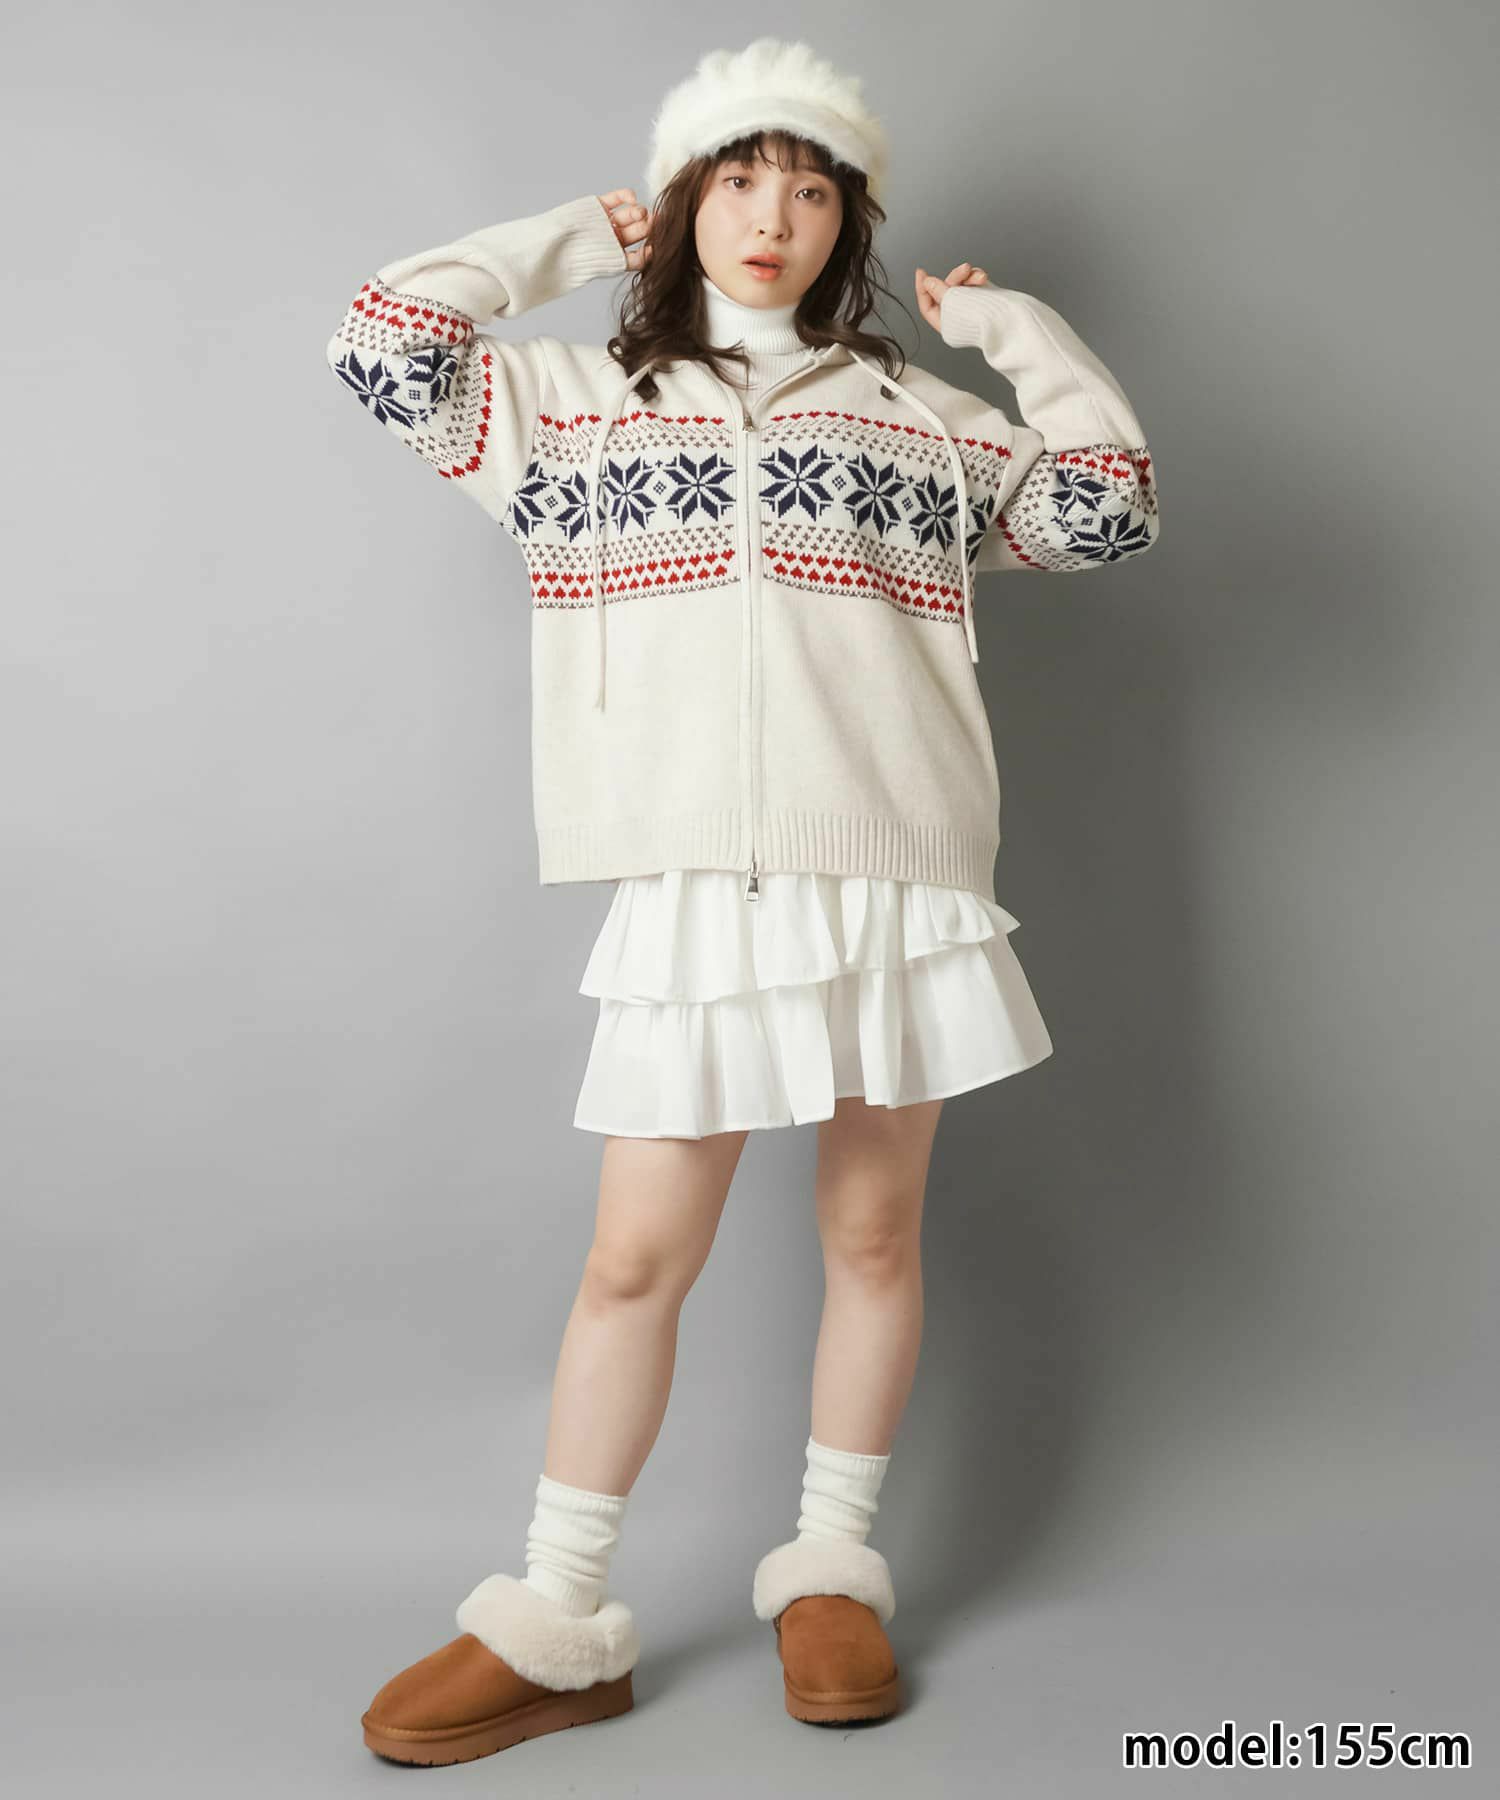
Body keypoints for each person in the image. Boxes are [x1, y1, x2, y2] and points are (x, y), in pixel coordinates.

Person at [326, 36, 1159, 1766]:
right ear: (686, 202)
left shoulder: (917, 421)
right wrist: (580, 235)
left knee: (874, 1238)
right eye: (737, 179)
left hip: (894, 878)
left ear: (848, 222)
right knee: (635, 1259)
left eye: (810, 188)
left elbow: (1104, 516)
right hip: (701, 881)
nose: (772, 217)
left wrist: (1019, 337)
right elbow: (384, 339)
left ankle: (833, 1571)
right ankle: (559, 1614)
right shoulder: (569, 410)